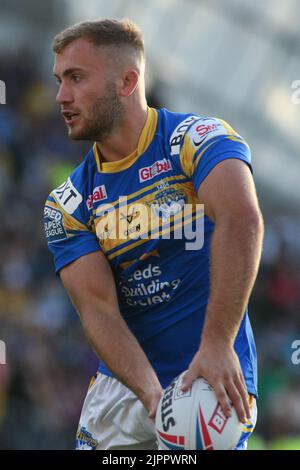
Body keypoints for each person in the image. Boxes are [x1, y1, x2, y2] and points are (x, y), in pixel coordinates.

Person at [44, 18, 264, 450]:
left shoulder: (196, 140)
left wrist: (218, 344)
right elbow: (98, 311)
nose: (61, 96)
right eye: (59, 80)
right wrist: (153, 397)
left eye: (75, 78)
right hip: (123, 396)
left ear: (127, 81)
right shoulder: (67, 203)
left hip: (212, 379)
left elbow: (242, 221)